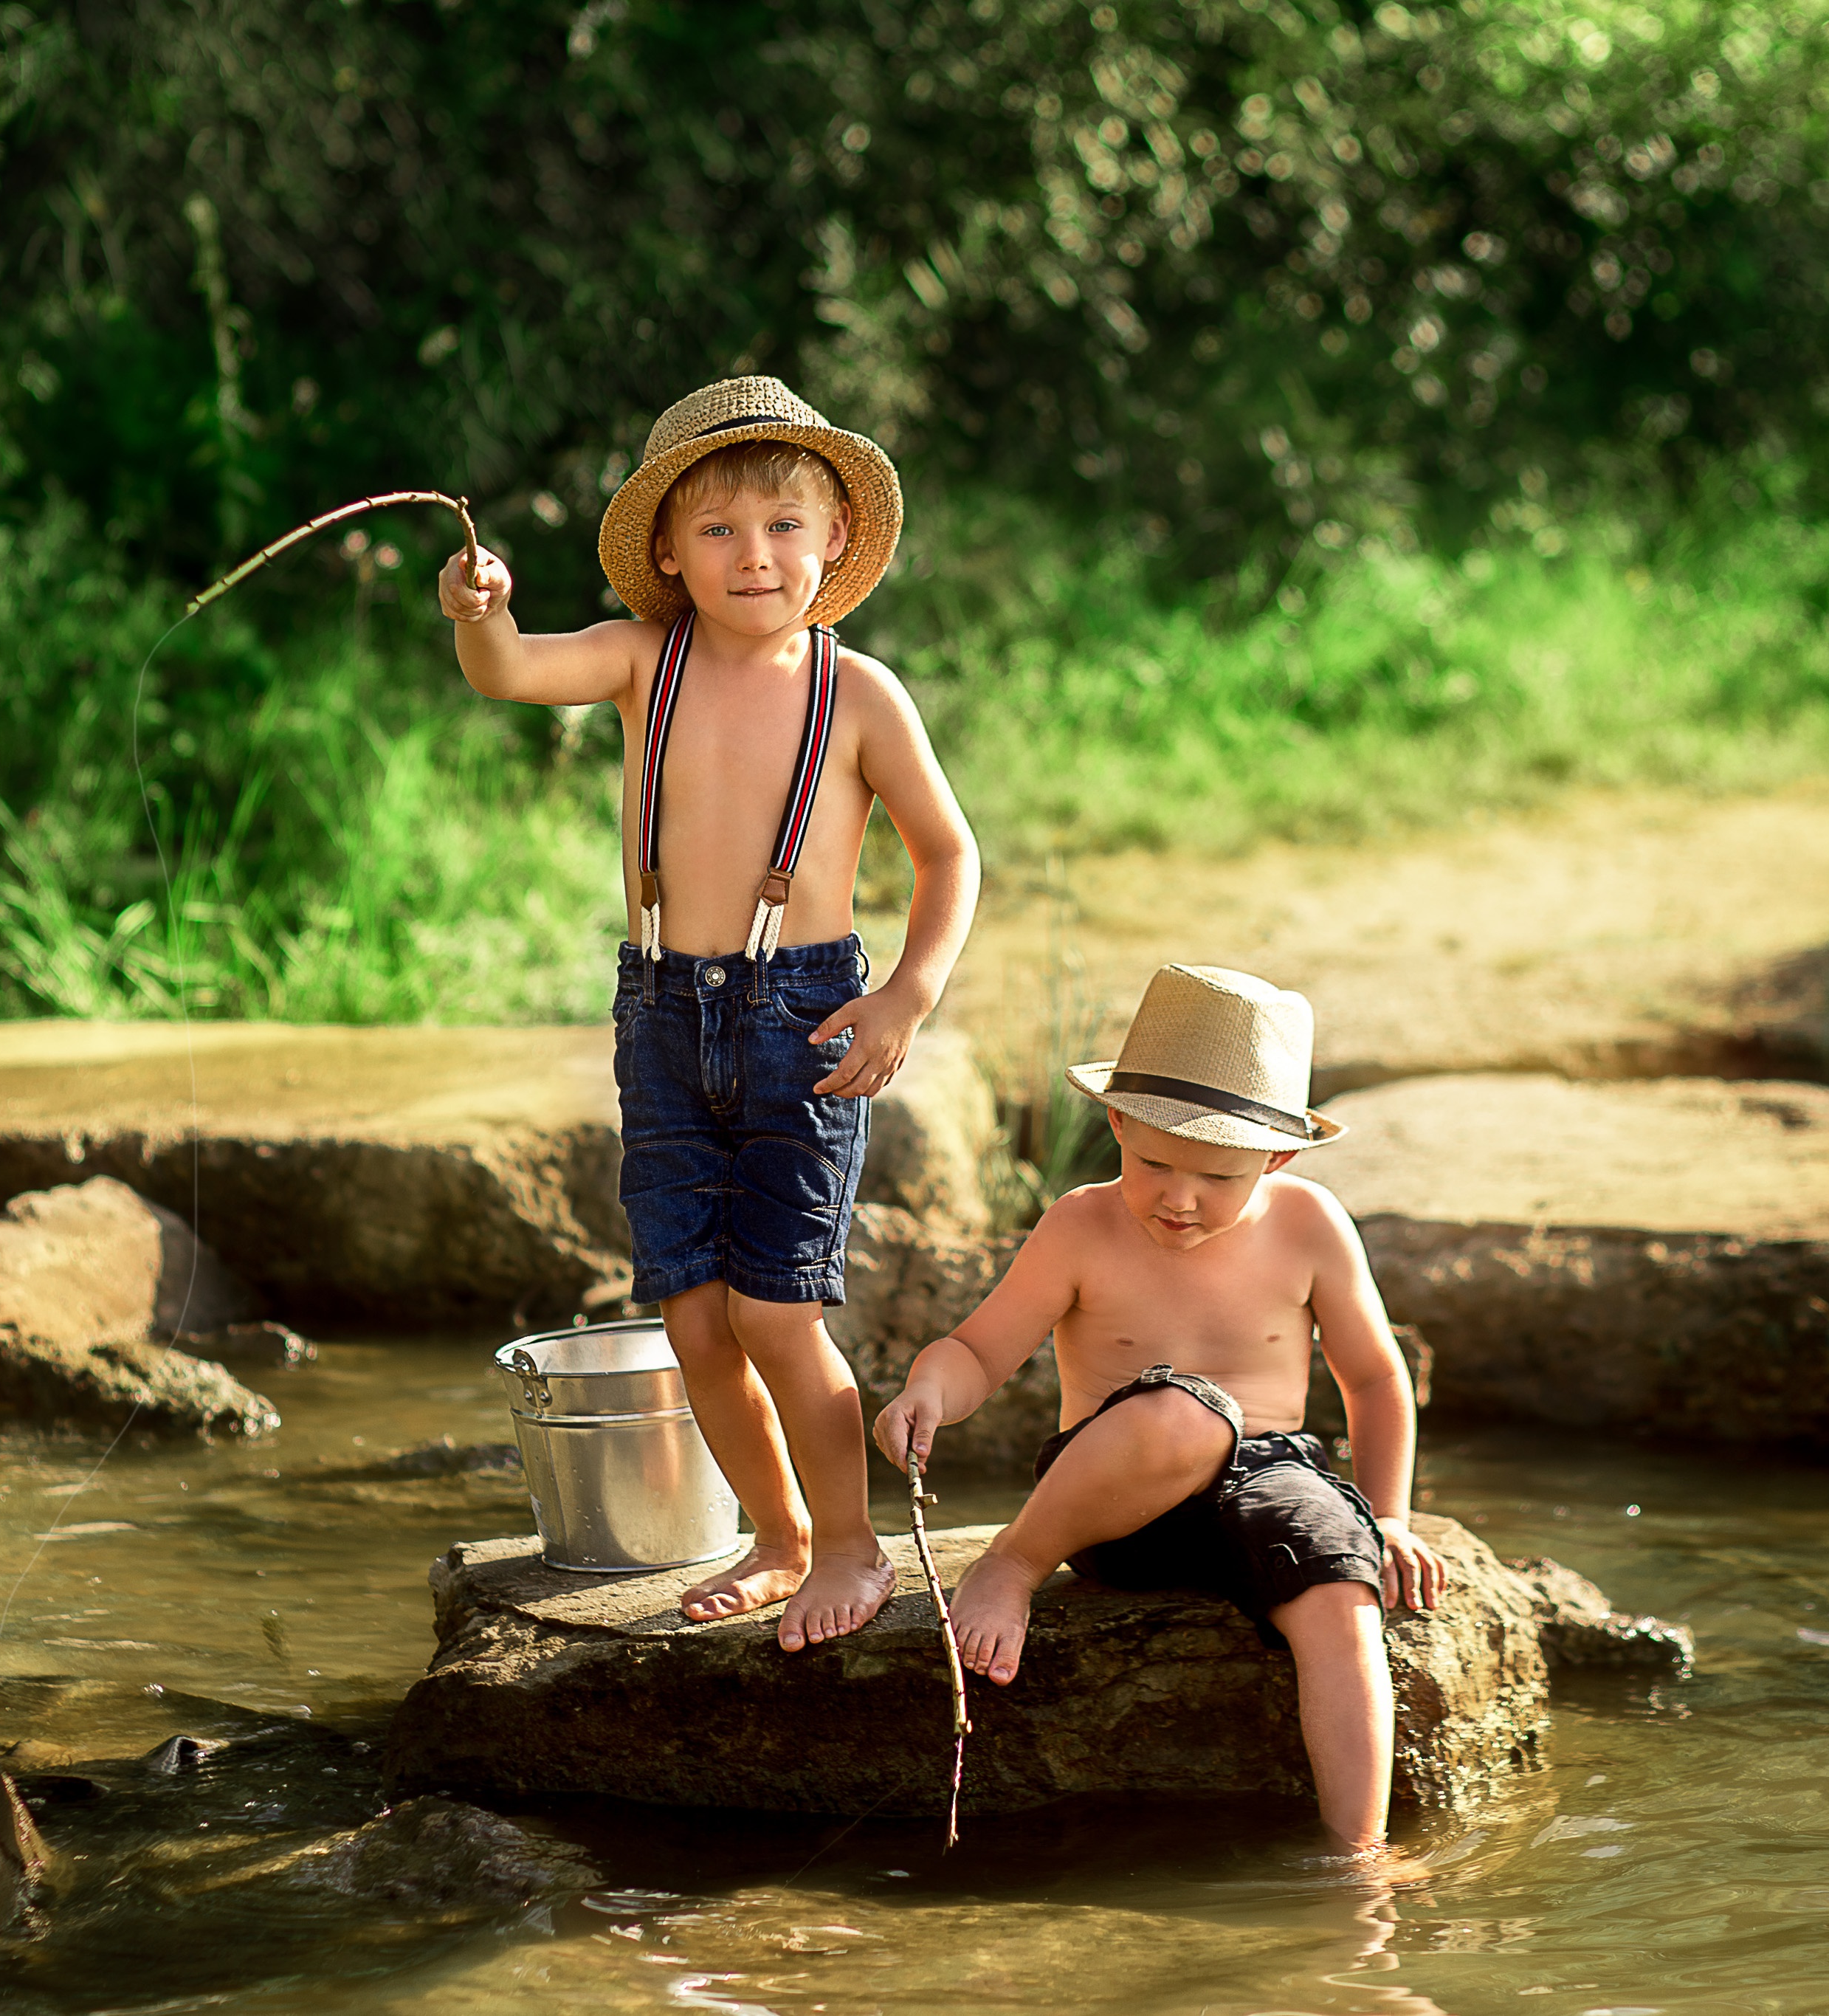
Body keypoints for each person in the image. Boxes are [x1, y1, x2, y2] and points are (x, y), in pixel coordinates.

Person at [439, 376, 979, 1651]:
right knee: (692, 1315)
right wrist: (480, 610)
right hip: (664, 1015)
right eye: (721, 531)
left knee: (777, 1311)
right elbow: (508, 670)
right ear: (671, 555)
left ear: (835, 538)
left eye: (784, 526)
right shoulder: (642, 660)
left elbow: (950, 856)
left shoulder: (861, 695)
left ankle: (849, 1547)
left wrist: (907, 993)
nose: (755, 557)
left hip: (804, 1018)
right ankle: (778, 1537)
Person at [871, 963, 1447, 1859]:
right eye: (1152, 1164)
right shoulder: (1080, 1225)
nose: (1178, 1198)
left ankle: (1356, 1858)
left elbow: (1375, 1379)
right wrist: (927, 1391)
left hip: (1271, 1475)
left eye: (1217, 1177)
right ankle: (1013, 1565)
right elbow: (979, 1350)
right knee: (1187, 1414)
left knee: (1340, 1592)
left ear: (1277, 1159)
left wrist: (1389, 1516)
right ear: (1116, 1125)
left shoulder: (1310, 1224)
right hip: (1114, 1491)